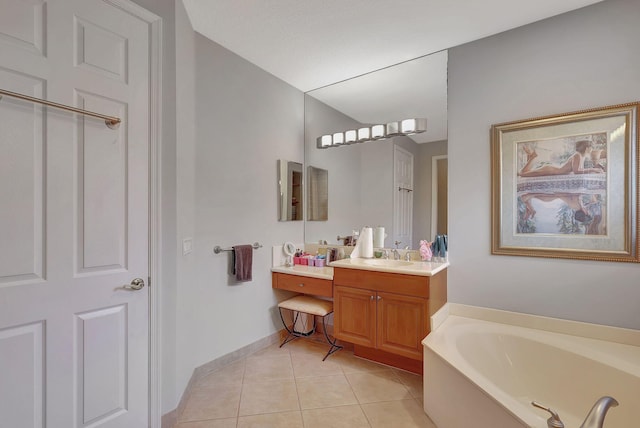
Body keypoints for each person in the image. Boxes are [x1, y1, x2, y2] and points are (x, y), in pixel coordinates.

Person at [518, 140, 605, 177]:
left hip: (552, 170)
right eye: (591, 147)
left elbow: (579, 170)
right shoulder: (577, 155)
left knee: (525, 173)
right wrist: (593, 170)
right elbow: (576, 171)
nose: (592, 149)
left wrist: (595, 169)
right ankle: (532, 157)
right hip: (550, 170)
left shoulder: (581, 156)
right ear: (587, 148)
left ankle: (532, 157)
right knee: (522, 174)